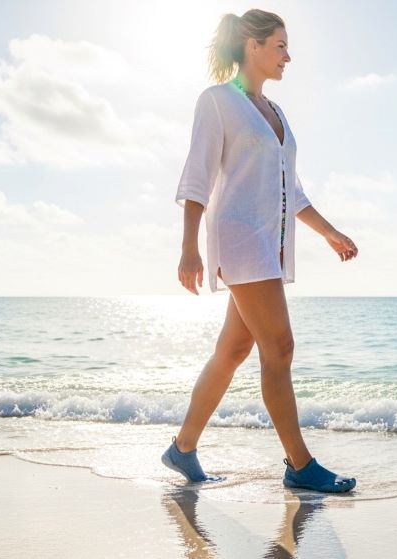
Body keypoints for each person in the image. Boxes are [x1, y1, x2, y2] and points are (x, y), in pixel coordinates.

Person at [160, 9, 358, 494]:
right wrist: (189, 249)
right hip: (239, 237)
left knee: (232, 350)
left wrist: (330, 233)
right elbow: (197, 177)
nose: (288, 56)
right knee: (280, 348)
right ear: (252, 45)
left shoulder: (277, 114)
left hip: (270, 243)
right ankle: (299, 464)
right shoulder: (217, 102)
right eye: (280, 46)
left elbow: (294, 191)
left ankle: (182, 448)